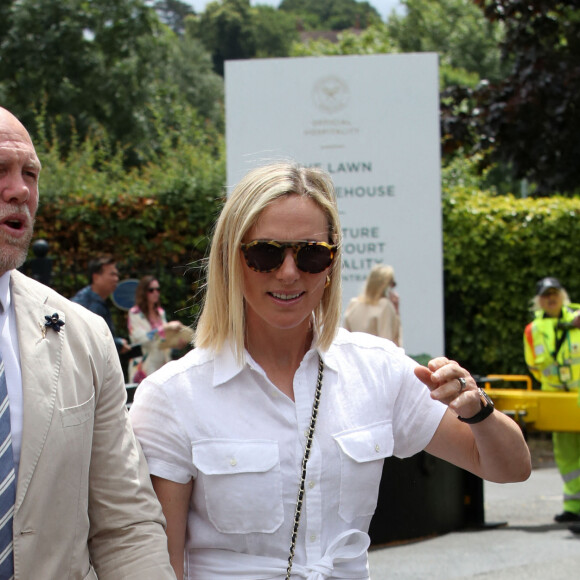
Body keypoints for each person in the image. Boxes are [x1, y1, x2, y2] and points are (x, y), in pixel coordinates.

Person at [129, 161, 531, 580]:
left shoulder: (378, 368)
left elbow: (510, 468)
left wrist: (478, 409)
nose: (289, 272)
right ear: (232, 258)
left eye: (311, 254)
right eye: (265, 253)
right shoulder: (172, 396)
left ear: (332, 262)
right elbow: (161, 562)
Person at [0, 106, 176, 578]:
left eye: (29, 173)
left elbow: (126, 525)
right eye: (0, 170)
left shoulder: (82, 334)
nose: (19, 190)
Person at [524, 276, 580, 526]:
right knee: (566, 456)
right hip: (557, 399)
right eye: (546, 295)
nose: (550, 298)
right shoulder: (533, 330)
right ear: (538, 301)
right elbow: (533, 366)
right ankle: (573, 506)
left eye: (554, 293)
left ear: (563, 295)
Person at [128, 275, 190, 383]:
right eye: (151, 290)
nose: (155, 293)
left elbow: (164, 340)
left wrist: (176, 343)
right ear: (143, 292)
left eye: (158, 289)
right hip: (143, 367)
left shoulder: (161, 313)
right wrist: (165, 328)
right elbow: (140, 338)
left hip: (162, 366)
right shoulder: (134, 313)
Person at [71, 254, 131, 355]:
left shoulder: (94, 300)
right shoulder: (88, 304)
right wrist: (118, 344)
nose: (116, 279)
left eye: (117, 275)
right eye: (112, 274)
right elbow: (93, 340)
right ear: (96, 277)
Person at [343, 263, 402, 346]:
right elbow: (387, 344)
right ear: (386, 285)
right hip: (375, 357)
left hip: (354, 356)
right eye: (392, 283)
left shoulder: (353, 304)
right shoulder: (385, 305)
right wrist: (396, 314)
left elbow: (345, 337)